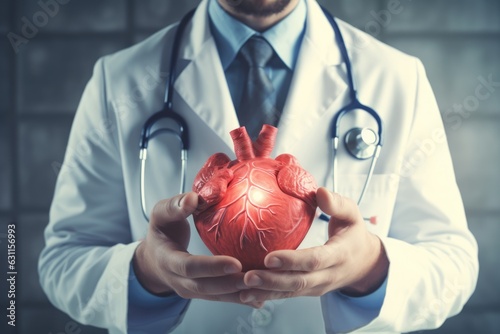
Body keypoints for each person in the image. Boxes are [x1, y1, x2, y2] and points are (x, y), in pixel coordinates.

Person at [38, 0, 479, 333]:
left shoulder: (396, 77)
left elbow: (454, 265)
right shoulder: (120, 80)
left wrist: (369, 268)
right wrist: (147, 273)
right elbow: (63, 261)